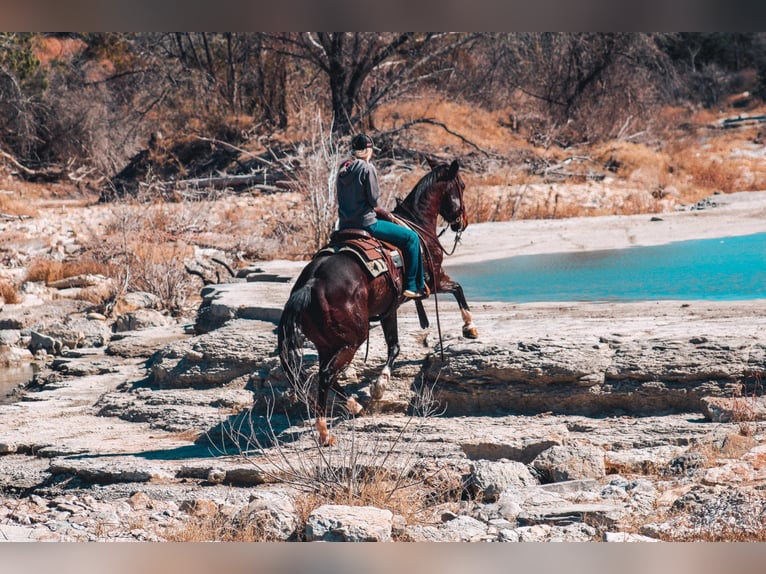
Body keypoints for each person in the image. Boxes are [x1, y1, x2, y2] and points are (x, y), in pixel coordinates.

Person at [336, 133, 426, 299]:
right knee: (412, 238)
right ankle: (413, 285)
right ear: (367, 150)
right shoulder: (367, 168)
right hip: (367, 223)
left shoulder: (343, 168)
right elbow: (373, 199)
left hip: (345, 225)